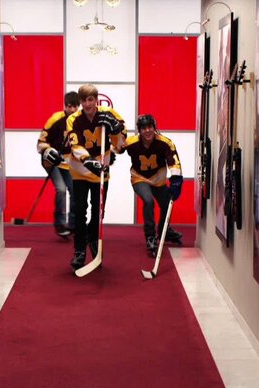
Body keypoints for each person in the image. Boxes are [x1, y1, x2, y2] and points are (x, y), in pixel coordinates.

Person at [66, 84, 127, 270]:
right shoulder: (73, 119)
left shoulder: (109, 114)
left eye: (90, 99)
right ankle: (79, 251)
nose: (87, 104)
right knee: (80, 210)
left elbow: (120, 147)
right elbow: (75, 146)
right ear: (80, 102)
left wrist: (116, 130)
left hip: (101, 172)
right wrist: (87, 160)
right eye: (83, 100)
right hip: (80, 171)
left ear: (96, 99)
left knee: (98, 212)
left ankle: (93, 241)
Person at [117, 114, 183, 257]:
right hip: (139, 178)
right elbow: (118, 149)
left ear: (154, 128)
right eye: (144, 128)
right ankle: (150, 236)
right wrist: (116, 134)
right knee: (148, 200)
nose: (147, 131)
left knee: (167, 203)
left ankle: (164, 230)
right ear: (139, 130)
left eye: (150, 127)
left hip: (158, 179)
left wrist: (176, 178)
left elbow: (174, 161)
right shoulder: (132, 142)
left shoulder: (165, 142)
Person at [37, 91, 80, 237]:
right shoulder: (55, 119)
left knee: (75, 190)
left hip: (69, 163)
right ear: (65, 106)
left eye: (75, 106)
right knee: (61, 189)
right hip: (52, 161)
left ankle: (73, 224)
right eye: (69, 106)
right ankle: (59, 224)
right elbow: (40, 143)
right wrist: (49, 151)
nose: (72, 110)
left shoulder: (80, 121)